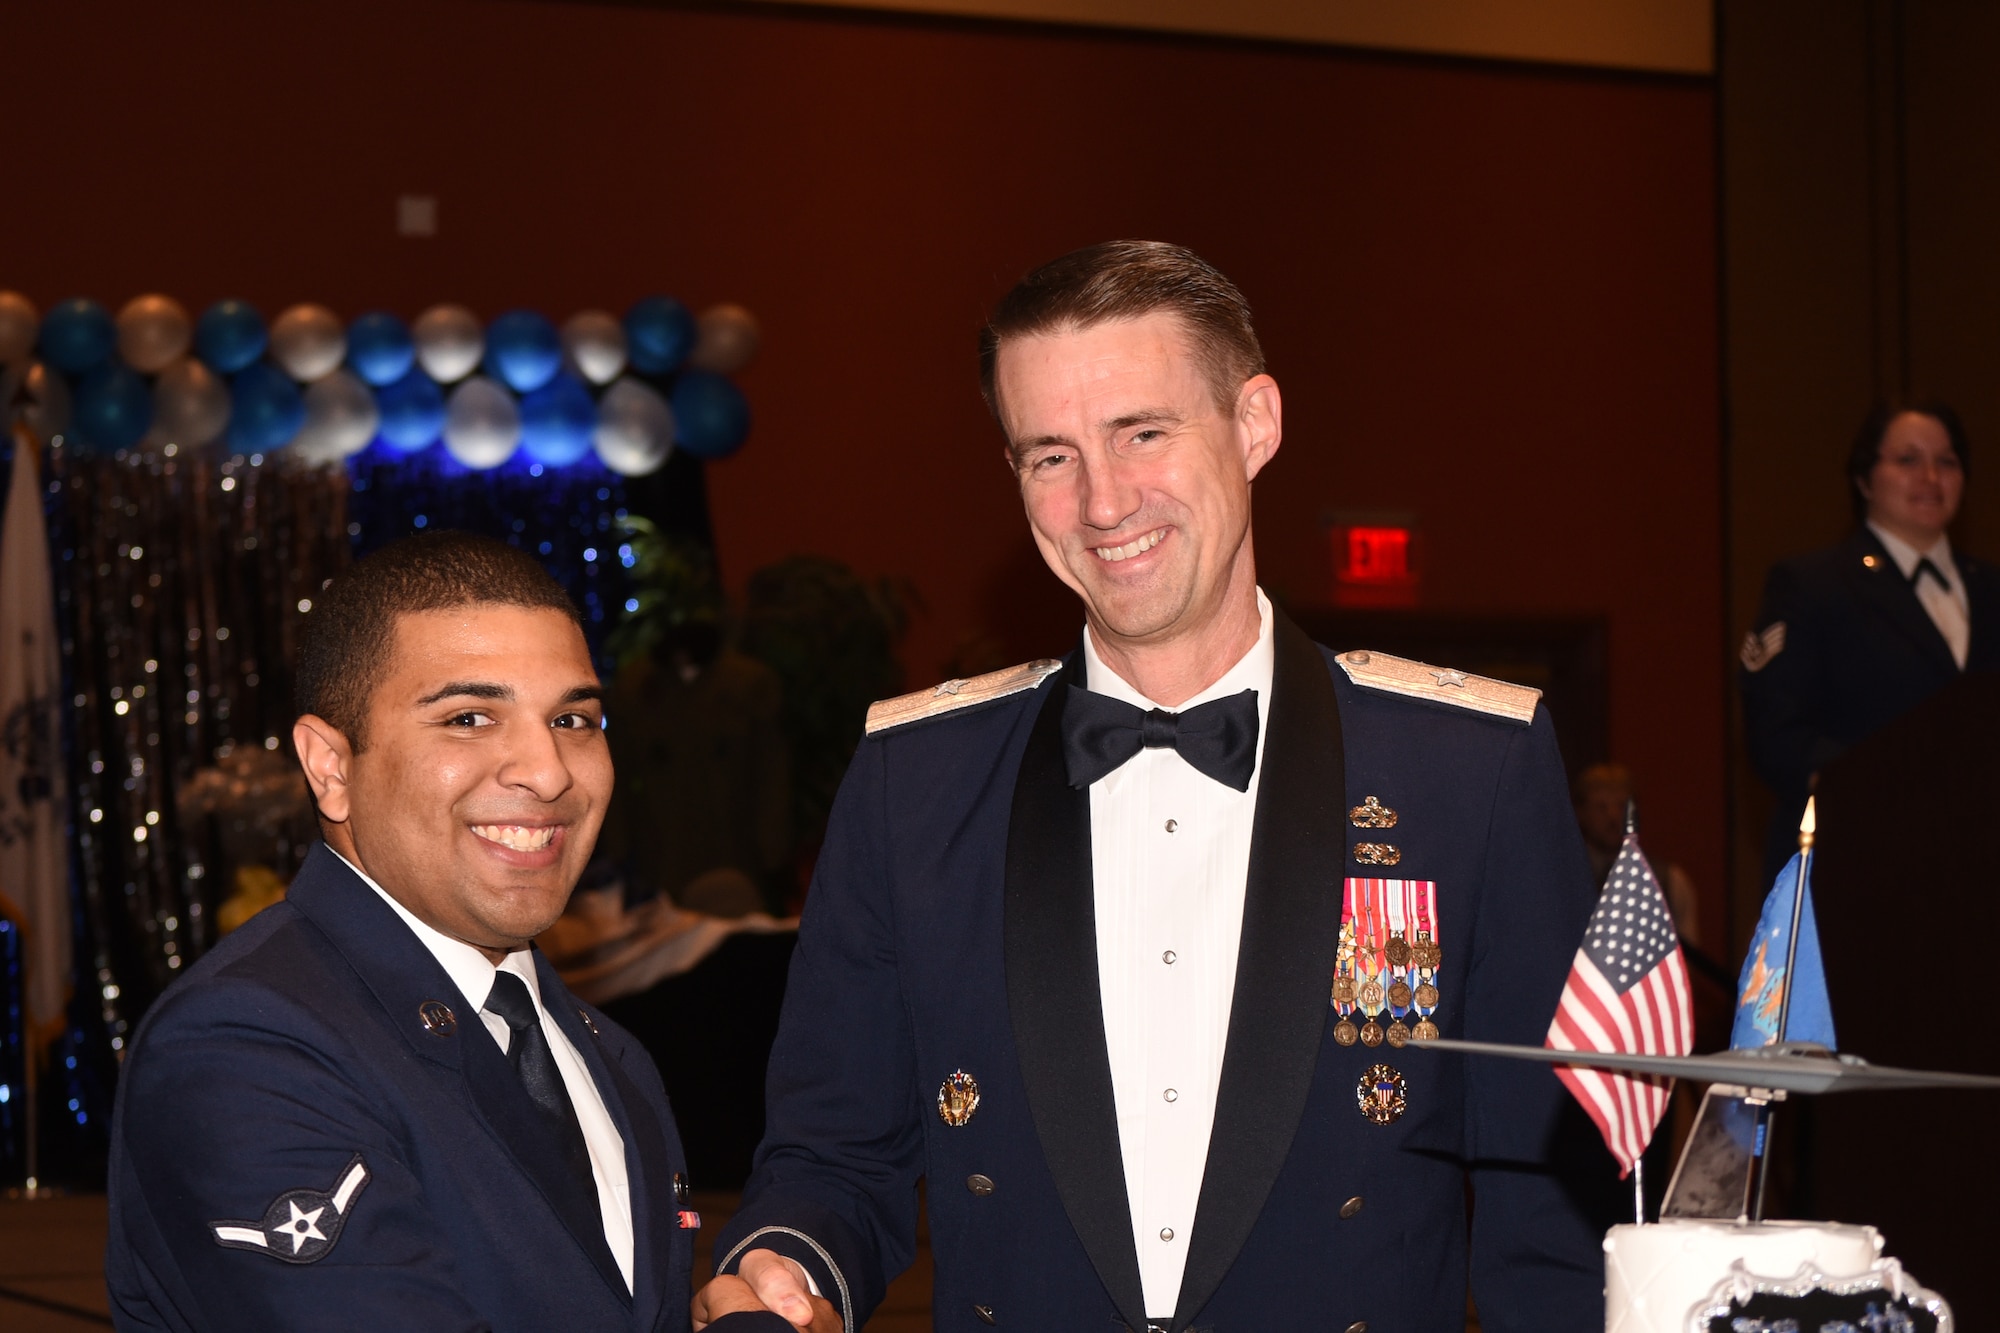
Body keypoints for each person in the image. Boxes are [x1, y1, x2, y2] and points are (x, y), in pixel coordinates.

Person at [698, 241, 1611, 1333]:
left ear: (1254, 423)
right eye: (1050, 455)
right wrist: (791, 1264)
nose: (1101, 501)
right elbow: (833, 1151)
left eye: (1141, 433)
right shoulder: (914, 783)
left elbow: (1548, 1219)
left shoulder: (1470, 771)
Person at [104, 532, 823, 1333]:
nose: (548, 770)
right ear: (330, 766)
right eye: (470, 716)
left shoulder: (610, 1059)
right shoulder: (244, 1045)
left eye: (575, 717)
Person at [1741, 403, 2000, 879]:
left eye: (1947, 461)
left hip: (1978, 868)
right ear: (1864, 479)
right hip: (1858, 866)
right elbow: (1778, 735)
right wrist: (1896, 784)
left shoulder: (1991, 589)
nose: (1930, 476)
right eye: (1907, 460)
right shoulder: (1813, 585)